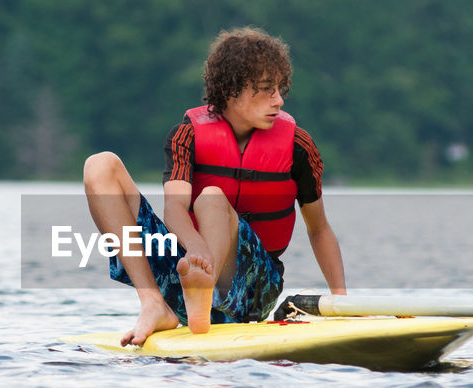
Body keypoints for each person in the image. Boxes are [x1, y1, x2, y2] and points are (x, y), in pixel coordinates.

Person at [82, 27, 346, 346]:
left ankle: (202, 298)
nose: (279, 100)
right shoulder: (187, 135)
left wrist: (341, 302)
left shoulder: (298, 146)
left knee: (211, 198)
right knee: (100, 165)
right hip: (185, 272)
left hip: (252, 290)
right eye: (266, 89)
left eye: (280, 89)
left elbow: (318, 229)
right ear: (232, 90)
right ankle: (154, 304)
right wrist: (197, 252)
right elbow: (175, 209)